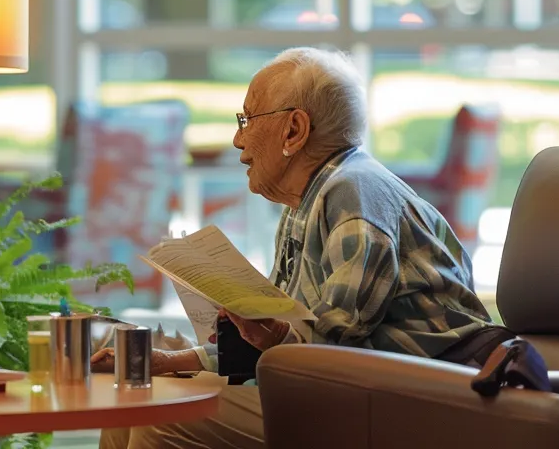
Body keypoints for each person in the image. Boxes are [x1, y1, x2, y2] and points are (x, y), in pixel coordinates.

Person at [95, 47, 493, 449]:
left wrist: (271, 336)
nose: (237, 139)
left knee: (163, 417)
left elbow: (332, 349)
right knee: (132, 399)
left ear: (294, 131)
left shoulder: (353, 196)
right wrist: (169, 362)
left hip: (414, 403)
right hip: (352, 391)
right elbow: (292, 341)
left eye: (247, 120)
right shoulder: (309, 199)